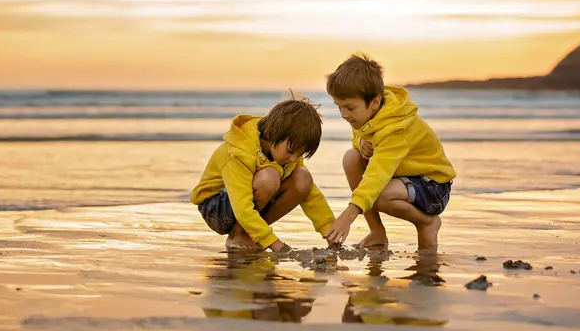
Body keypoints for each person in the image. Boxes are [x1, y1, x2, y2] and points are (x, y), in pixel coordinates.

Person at [324, 54, 456, 249]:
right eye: (339, 107)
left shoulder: (396, 129)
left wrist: (349, 215)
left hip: (433, 187)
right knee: (351, 158)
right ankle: (377, 232)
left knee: (378, 194)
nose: (344, 115)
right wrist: (360, 142)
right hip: (403, 178)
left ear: (375, 102)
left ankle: (426, 222)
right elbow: (361, 136)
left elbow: (377, 175)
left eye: (350, 108)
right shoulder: (367, 115)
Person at [191, 97, 335, 252]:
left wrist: (330, 230)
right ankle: (238, 235)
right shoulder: (239, 153)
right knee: (269, 177)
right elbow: (242, 206)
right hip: (216, 208)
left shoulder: (286, 153)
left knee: (303, 178)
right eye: (291, 151)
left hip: (246, 207)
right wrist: (274, 243)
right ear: (274, 133)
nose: (294, 158)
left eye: (300, 154)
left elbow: (311, 195)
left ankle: (251, 232)